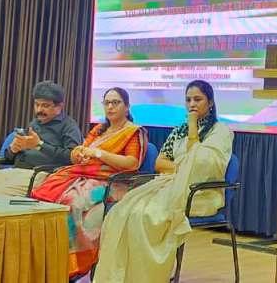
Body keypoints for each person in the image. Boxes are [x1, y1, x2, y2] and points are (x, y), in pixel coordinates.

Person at [93, 80, 234, 283]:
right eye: (188, 100)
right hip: (170, 184)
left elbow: (202, 166)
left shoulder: (220, 131)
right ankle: (123, 276)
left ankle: (149, 277)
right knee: (123, 212)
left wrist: (192, 129)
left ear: (210, 102)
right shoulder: (179, 130)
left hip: (201, 193)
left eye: (198, 99)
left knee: (148, 216)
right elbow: (160, 163)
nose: (192, 104)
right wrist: (183, 168)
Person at [30, 87, 146, 279]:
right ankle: (47, 256)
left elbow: (132, 164)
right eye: (107, 103)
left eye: (115, 102)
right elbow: (82, 150)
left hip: (113, 183)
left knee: (71, 202)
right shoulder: (99, 130)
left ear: (126, 107)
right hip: (84, 174)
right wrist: (79, 154)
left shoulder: (132, 132)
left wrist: (99, 154)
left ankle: (71, 264)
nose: (110, 107)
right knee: (45, 193)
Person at [0, 80, 82, 196]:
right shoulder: (34, 124)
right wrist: (13, 149)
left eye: (45, 105)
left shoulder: (69, 126)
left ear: (59, 106)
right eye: (37, 104)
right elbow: (7, 158)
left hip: (42, 175)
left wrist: (40, 145)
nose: (39, 110)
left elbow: (73, 158)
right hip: (15, 170)